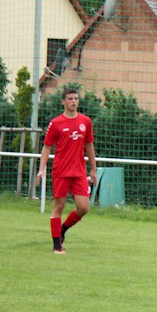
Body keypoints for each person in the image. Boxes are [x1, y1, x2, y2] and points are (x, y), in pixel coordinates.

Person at [36, 88, 97, 254]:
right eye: (70, 99)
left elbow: (89, 146)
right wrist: (41, 169)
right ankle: (57, 246)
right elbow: (47, 147)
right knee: (59, 207)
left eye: (76, 99)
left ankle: (62, 230)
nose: (73, 101)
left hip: (79, 172)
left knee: (83, 207)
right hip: (61, 171)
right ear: (63, 101)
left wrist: (93, 169)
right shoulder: (56, 123)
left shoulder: (85, 121)